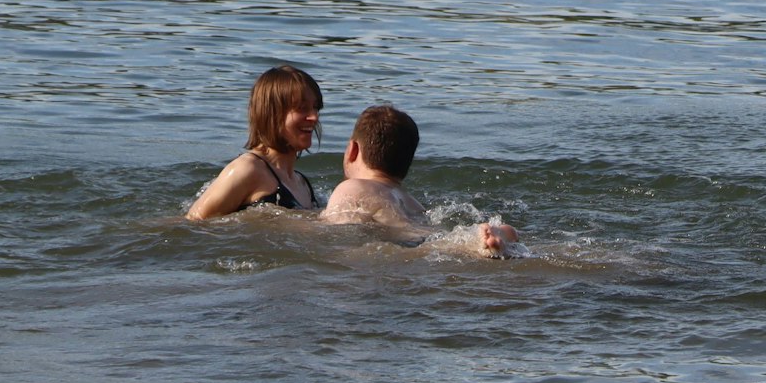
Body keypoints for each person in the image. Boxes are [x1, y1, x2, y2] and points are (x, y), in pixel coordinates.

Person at [321, 104, 520, 256]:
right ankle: (495, 235)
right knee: (440, 238)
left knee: (439, 244)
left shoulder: (351, 188)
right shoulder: (411, 202)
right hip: (427, 239)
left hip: (411, 247)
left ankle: (476, 241)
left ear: (352, 150)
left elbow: (338, 237)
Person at [186, 65, 324, 220]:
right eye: (302, 108)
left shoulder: (302, 183)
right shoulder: (247, 169)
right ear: (272, 113)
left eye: (315, 108)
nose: (314, 117)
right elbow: (192, 222)